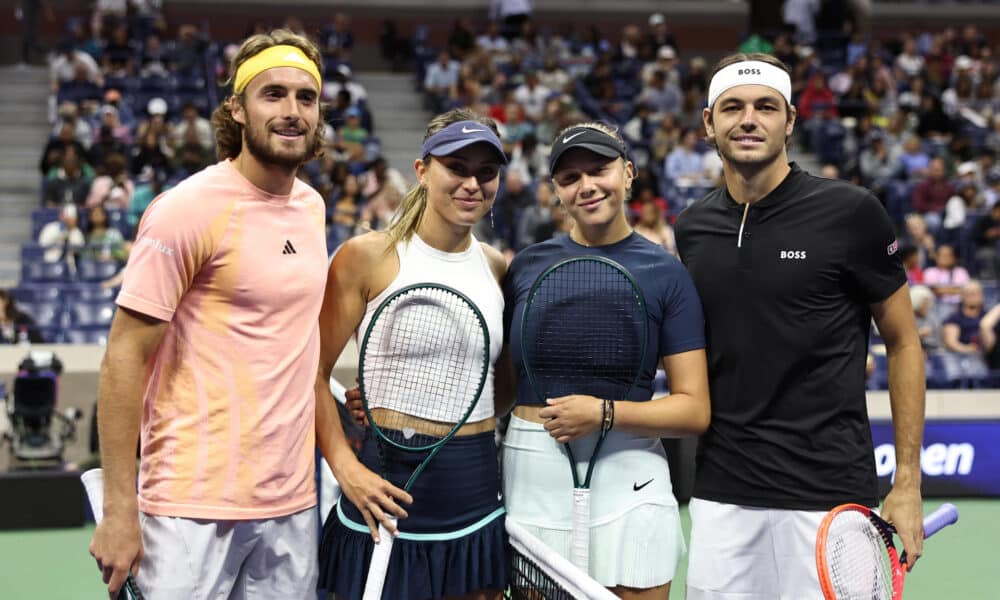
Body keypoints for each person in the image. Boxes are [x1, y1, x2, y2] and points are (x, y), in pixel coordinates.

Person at [674, 52, 926, 599]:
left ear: (790, 121)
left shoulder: (852, 212)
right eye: (732, 107)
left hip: (830, 499)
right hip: (722, 498)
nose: (749, 119)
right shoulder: (692, 228)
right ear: (708, 123)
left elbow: (904, 342)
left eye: (766, 107)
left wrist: (907, 482)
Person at [88, 29, 329, 599]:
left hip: (291, 504)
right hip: (187, 510)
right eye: (273, 95)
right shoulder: (185, 210)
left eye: (306, 97)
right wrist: (121, 509)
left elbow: (286, 339)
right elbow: (123, 358)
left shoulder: (313, 208)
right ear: (237, 109)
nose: (292, 112)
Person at [502, 122, 710, 599]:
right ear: (556, 190)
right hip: (533, 471)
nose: (587, 186)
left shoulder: (667, 274)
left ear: (629, 172)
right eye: (570, 178)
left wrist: (603, 414)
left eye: (599, 170)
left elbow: (693, 409)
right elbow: (502, 386)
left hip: (630, 478)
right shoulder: (526, 267)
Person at [315, 108, 510, 600]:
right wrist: (346, 467)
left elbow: (498, 386)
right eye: (457, 168)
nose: (473, 183)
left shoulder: (496, 266)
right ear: (423, 171)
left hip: (476, 488)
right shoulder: (366, 256)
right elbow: (308, 374)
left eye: (486, 172)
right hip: (385, 485)